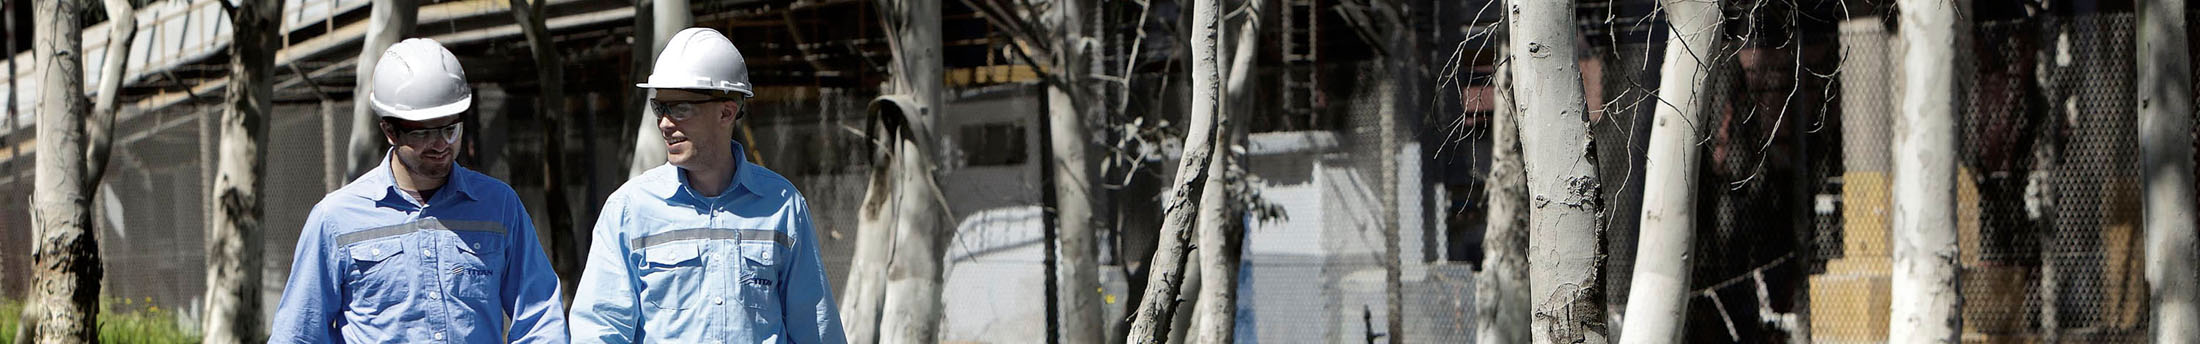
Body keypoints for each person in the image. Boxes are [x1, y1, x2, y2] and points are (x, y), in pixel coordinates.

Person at [268, 38, 567, 343]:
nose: (440, 144)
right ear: (389, 131)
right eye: (423, 133)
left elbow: (540, 317)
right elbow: (299, 334)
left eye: (450, 129)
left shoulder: (499, 206)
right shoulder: (334, 219)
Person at [568, 27, 846, 344]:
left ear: (727, 111)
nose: (664, 124)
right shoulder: (629, 210)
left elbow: (816, 330)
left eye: (680, 109)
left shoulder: (782, 206)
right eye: (660, 107)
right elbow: (599, 331)